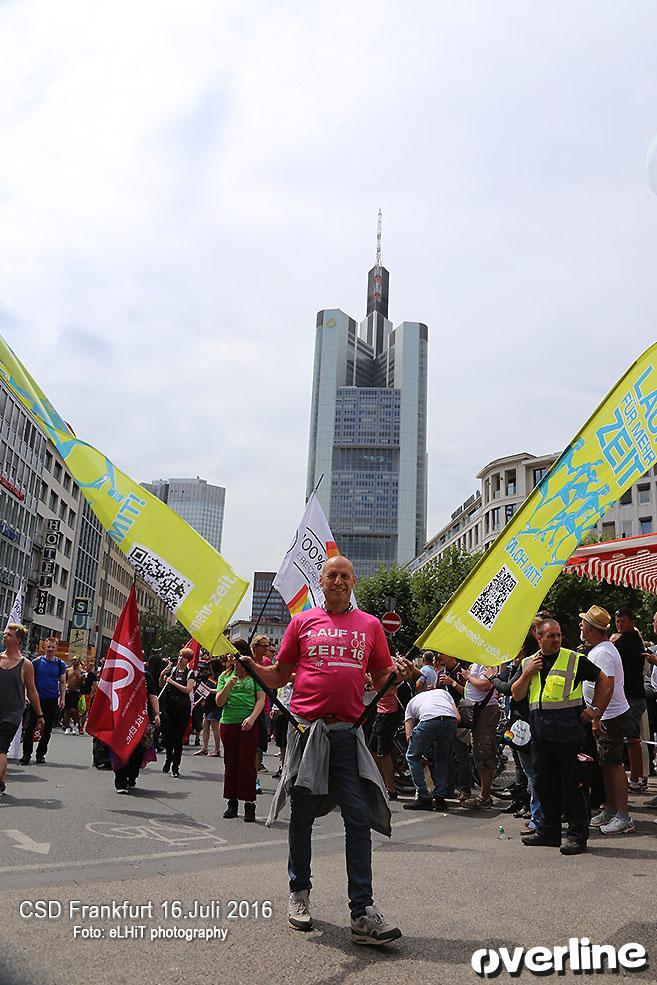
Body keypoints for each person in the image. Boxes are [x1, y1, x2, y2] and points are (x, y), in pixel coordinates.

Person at [240, 555, 402, 947]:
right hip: (306, 731)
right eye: (332, 575)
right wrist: (252, 667)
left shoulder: (370, 626)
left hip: (347, 733)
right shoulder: (302, 622)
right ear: (321, 580)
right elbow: (280, 675)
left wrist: (398, 677)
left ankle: (362, 912)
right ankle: (299, 894)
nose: (339, 580)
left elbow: (382, 679)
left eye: (345, 575)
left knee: (358, 818)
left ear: (353, 581)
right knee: (302, 816)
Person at [512, 617, 613, 855]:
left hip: (570, 736)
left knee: (574, 787)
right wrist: (526, 673)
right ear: (539, 638)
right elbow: (516, 695)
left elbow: (604, 681)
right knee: (545, 785)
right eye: (551, 636)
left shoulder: (574, 659)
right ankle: (549, 832)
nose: (557, 639)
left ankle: (578, 836)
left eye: (559, 635)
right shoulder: (529, 662)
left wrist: (595, 710)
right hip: (541, 736)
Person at [579, 606, 634, 835]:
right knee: (606, 764)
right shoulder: (600, 649)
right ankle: (612, 810)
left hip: (610, 716)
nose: (580, 626)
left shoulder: (602, 652)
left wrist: (596, 714)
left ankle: (623, 816)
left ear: (592, 629)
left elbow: (608, 685)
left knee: (613, 766)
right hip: (607, 715)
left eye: (583, 623)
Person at [215, 640, 265, 821]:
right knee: (231, 763)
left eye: (233, 655)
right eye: (230, 657)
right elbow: (219, 703)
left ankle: (249, 803)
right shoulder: (224, 676)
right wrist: (228, 685)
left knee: (247, 764)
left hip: (249, 725)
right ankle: (232, 802)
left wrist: (252, 718)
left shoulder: (255, 675)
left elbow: (261, 699)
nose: (231, 659)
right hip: (228, 723)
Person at [1, 625, 44, 796]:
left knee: (1, 748)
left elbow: (32, 690)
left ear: (18, 640)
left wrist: (39, 714)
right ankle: (1, 784)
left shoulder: (25, 664)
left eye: (9, 635)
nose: (5, 637)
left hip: (12, 713)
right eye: (4, 634)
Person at [403, 682, 460, 811]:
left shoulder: (412, 703)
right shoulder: (444, 693)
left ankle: (423, 797)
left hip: (429, 720)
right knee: (442, 758)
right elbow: (457, 717)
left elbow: (409, 736)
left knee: (412, 757)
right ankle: (440, 798)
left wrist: (420, 754)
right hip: (450, 721)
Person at [612, 607, 647, 791]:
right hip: (634, 695)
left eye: (622, 621)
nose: (619, 625)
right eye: (617, 621)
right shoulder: (632, 639)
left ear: (632, 622)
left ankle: (636, 778)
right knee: (634, 738)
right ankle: (638, 777)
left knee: (632, 739)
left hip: (632, 696)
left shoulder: (628, 639)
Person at [113, 666, 161, 793]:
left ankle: (132, 775)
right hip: (123, 718)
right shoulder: (121, 672)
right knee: (122, 749)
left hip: (142, 719)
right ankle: (120, 781)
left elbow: (152, 696)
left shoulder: (146, 676)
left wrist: (157, 714)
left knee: (139, 750)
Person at [460, 662, 500, 809]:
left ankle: (484, 796)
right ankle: (484, 794)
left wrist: (468, 677)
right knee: (479, 752)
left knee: (484, 753)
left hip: (486, 710)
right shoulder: (476, 663)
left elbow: (485, 685)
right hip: (478, 710)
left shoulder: (487, 661)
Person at [20, 637, 66, 765]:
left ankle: (40, 755)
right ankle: (26, 755)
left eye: (52, 647)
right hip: (36, 699)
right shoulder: (36, 662)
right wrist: (26, 694)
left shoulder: (60, 664)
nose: (50, 649)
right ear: (44, 647)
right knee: (29, 727)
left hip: (51, 699)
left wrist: (62, 698)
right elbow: (28, 680)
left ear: (56, 648)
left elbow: (62, 682)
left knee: (47, 729)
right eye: (48, 646)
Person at [159, 648, 195, 777]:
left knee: (177, 738)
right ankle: (168, 760)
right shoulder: (173, 670)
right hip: (170, 706)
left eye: (184, 657)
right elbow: (162, 685)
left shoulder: (190, 673)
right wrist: (163, 675)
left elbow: (187, 690)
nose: (181, 658)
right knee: (168, 736)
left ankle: (176, 766)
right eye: (180, 656)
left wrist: (173, 682)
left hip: (182, 707)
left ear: (188, 660)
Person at [194, 658, 223, 757]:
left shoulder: (220, 677)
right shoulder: (210, 676)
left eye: (211, 666)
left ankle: (217, 749)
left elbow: (218, 690)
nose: (209, 668)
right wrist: (197, 702)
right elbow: (205, 692)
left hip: (216, 704)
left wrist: (209, 690)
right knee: (205, 725)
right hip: (208, 705)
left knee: (215, 727)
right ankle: (204, 748)